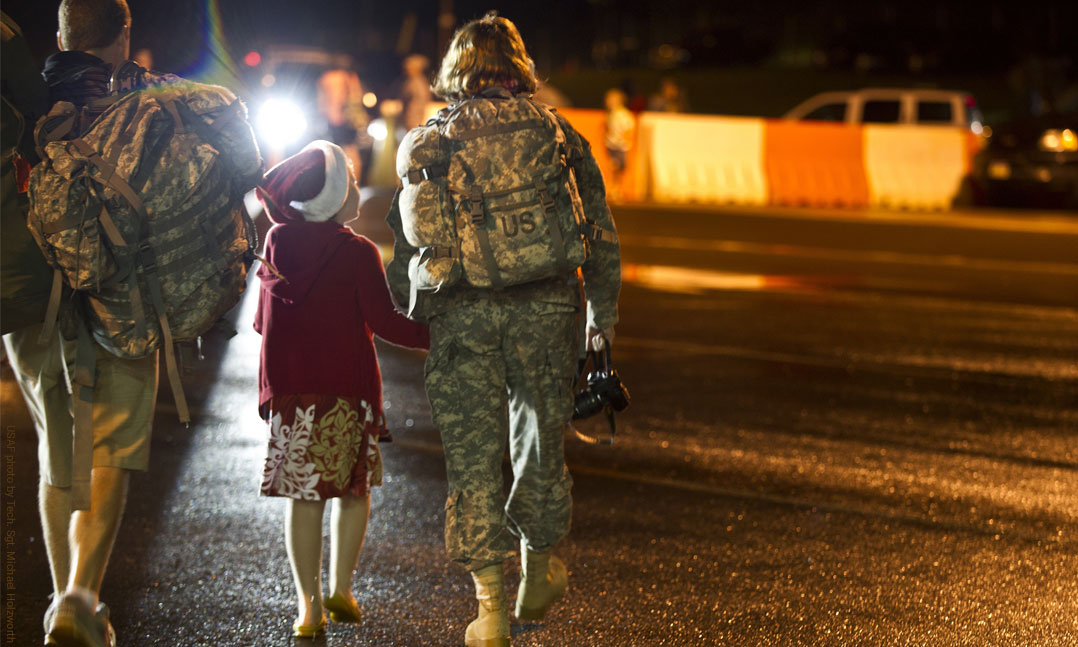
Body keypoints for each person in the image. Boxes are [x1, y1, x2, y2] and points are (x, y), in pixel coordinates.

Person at [386, 13, 620, 647]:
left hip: (462, 316)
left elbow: (406, 245)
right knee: (539, 443)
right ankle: (536, 575)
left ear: (455, 69)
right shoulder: (559, 133)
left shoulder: (430, 139)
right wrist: (601, 323)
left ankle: (489, 611)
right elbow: (597, 234)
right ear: (519, 66)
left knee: (471, 458)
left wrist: (411, 307)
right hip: (546, 313)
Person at [4, 2, 159, 646]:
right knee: (111, 447)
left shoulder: (26, 95)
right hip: (122, 297)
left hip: (29, 284)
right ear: (124, 33)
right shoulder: (151, 101)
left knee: (58, 443)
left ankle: (61, 599)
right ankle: (80, 593)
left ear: (62, 35)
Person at [253, 140, 429, 638]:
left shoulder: (275, 243)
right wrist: (434, 336)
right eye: (348, 181)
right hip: (346, 394)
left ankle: (307, 607)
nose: (356, 187)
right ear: (331, 199)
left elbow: (264, 324)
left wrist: (271, 390)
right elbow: (384, 321)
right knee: (353, 492)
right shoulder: (357, 251)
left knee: (304, 499)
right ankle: (342, 587)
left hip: (292, 394)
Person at [603, 87, 635, 201]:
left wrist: (623, 138)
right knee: (613, 166)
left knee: (620, 168)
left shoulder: (623, 114)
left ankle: (617, 188)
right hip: (612, 145)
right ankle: (612, 188)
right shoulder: (611, 114)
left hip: (621, 145)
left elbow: (629, 127)